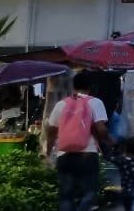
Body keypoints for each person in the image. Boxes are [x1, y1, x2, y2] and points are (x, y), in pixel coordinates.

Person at [47, 72, 110, 211]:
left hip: (64, 155)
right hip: (88, 155)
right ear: (91, 86)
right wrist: (108, 140)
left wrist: (48, 153)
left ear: (73, 86)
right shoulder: (95, 102)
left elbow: (50, 132)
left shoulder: (61, 104)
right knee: (89, 193)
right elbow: (101, 130)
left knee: (66, 196)